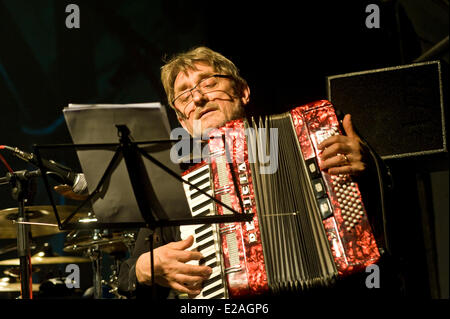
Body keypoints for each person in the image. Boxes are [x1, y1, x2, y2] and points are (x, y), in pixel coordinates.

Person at [118, 46, 378, 299]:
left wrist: (371, 169)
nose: (198, 99)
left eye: (208, 83)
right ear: (183, 123)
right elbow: (128, 278)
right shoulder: (173, 183)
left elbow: (399, 214)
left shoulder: (307, 136)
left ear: (242, 91)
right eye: (184, 97)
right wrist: (143, 268)